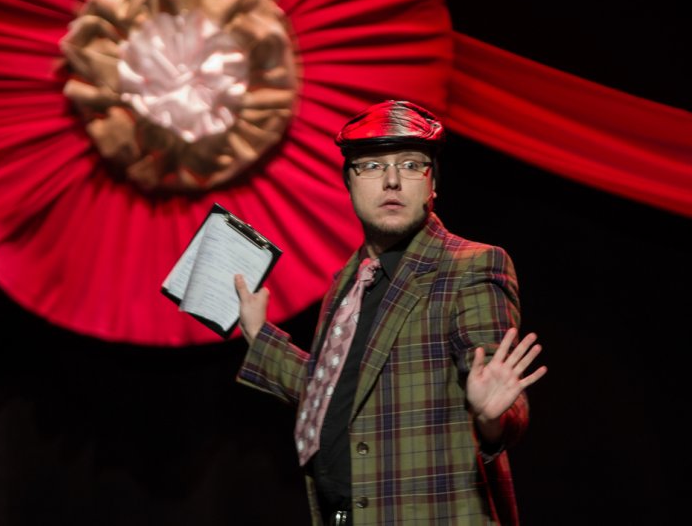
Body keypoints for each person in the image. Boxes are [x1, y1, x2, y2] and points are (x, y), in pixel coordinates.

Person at [234, 100, 546, 525]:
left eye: (411, 165)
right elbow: (334, 393)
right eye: (372, 166)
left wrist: (494, 418)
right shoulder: (349, 281)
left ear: (432, 184)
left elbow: (497, 384)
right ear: (349, 183)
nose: (393, 180)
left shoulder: (469, 265)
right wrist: (258, 333)